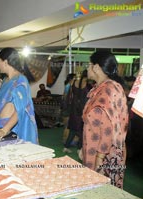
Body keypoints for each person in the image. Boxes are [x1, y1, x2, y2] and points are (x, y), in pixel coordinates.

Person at [82, 51, 128, 188]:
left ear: (96, 67)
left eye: (89, 65)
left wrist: (99, 161)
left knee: (101, 192)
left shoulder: (105, 92)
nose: (87, 68)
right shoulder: (112, 86)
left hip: (103, 155)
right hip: (111, 152)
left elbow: (108, 129)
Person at [0, 47, 38, 144]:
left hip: (12, 130)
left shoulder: (20, 81)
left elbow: (21, 110)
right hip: (0, 127)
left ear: (5, 62)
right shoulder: (5, 81)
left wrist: (4, 130)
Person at [63, 70, 90, 154]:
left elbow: (69, 94)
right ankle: (79, 149)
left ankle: (66, 147)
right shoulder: (88, 85)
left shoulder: (74, 82)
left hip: (74, 108)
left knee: (73, 129)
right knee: (83, 129)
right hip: (83, 108)